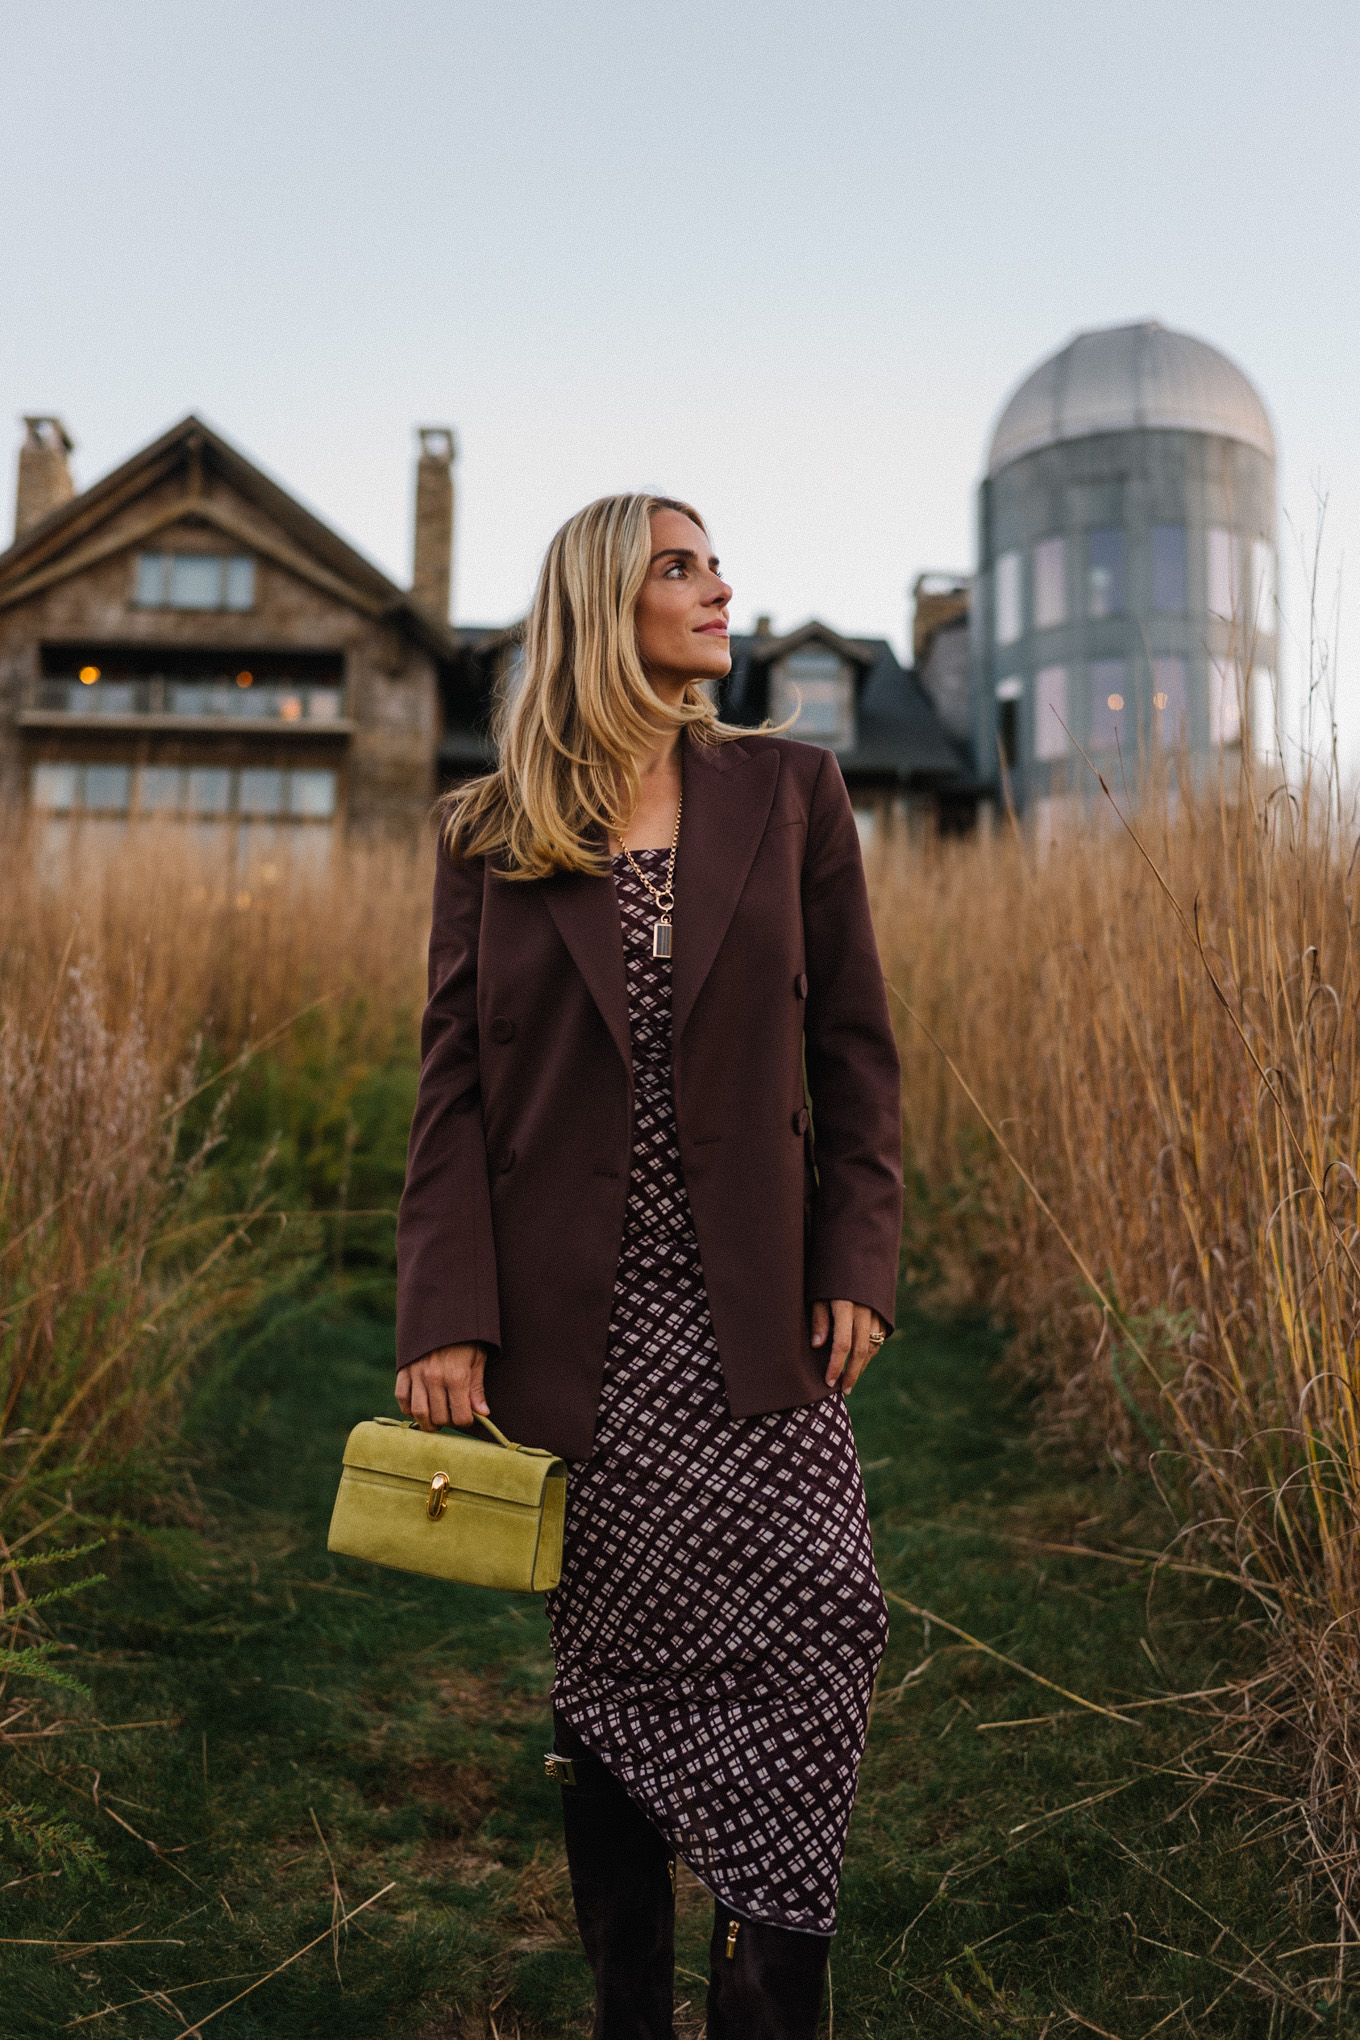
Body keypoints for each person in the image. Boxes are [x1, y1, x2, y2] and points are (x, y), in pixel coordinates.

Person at [395, 493, 901, 2040]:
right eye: (680, 566)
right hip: (581, 1332)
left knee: (830, 1609)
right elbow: (453, 1093)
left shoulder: (793, 791)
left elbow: (856, 1051)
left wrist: (858, 1258)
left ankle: (768, 1990)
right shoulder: (490, 831)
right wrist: (447, 1315)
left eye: (715, 564)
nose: (718, 588)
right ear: (605, 602)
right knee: (616, 1669)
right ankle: (629, 2000)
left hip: (757, 1311)